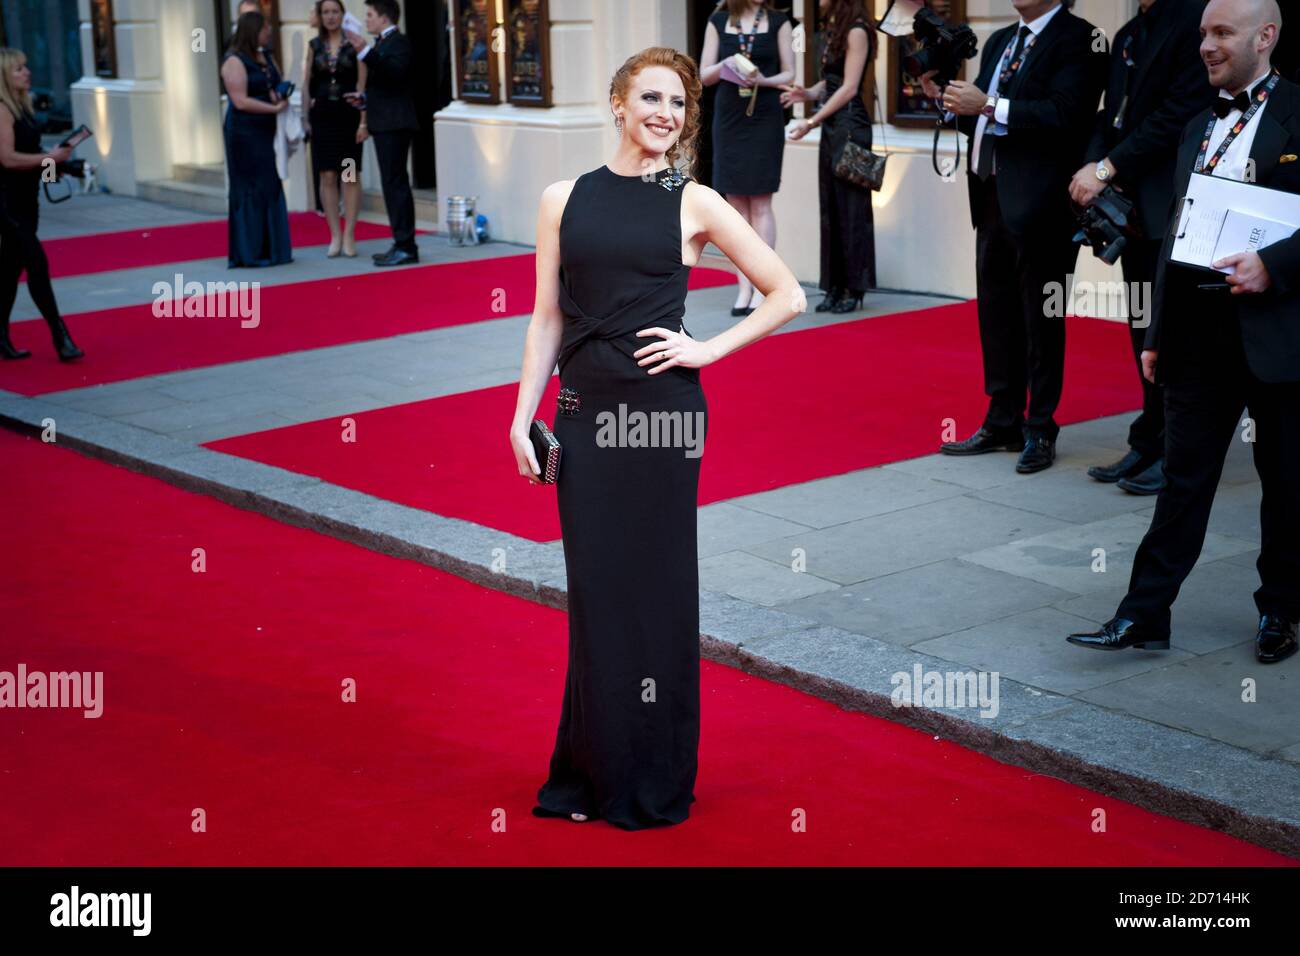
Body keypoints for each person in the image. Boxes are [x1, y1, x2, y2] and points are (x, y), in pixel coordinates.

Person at [509, 47, 804, 827]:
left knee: (659, 592)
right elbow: (547, 318)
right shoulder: (561, 198)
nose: (665, 114)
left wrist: (705, 349)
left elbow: (787, 293)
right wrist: (520, 417)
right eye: (650, 97)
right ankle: (591, 773)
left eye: (678, 103)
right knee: (598, 596)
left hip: (662, 416)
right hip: (582, 414)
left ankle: (652, 779)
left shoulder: (694, 199)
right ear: (617, 102)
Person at [1068, 0, 1299, 665]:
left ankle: (1281, 611)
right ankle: (1143, 615)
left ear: (1266, 36)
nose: (1205, 45)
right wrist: (1157, 332)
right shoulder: (1197, 124)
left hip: (1278, 334)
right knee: (1183, 483)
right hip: (1197, 333)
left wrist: (1274, 266)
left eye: (1221, 32)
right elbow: (1178, 238)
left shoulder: (1299, 113)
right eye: (1202, 33)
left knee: (1285, 483)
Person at [924, 0, 1107, 474]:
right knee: (996, 313)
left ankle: (1041, 428)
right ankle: (1002, 418)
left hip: (1043, 204)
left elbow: (1066, 114)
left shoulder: (1081, 39)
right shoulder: (1001, 40)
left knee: (1041, 319)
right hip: (990, 196)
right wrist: (946, 102)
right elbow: (983, 120)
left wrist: (983, 102)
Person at [1070, 0, 1216, 497]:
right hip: (1130, 208)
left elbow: (1179, 114)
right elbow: (1113, 113)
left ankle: (1176, 451)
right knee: (1141, 328)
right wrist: (1092, 168)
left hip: (1171, 201)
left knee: (1170, 331)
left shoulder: (1195, 19)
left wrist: (1107, 167)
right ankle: (1148, 438)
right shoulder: (1131, 30)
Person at [699, 0, 795, 316]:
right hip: (730, 117)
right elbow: (704, 74)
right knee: (736, 206)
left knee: (762, 203)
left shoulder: (780, 21)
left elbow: (789, 72)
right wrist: (727, 64)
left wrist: (761, 80)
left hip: (765, 115)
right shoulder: (719, 20)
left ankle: (765, 288)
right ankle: (743, 287)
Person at [784, 0, 878, 314]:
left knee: (851, 207)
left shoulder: (857, 31)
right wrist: (807, 94)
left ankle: (854, 286)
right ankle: (836, 285)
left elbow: (850, 88)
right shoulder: (838, 28)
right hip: (836, 126)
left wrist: (811, 120)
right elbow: (833, 82)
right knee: (832, 206)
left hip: (851, 126)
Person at [0, 48, 82, 361]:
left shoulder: (24, 107)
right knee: (36, 265)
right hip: (7, 204)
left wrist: (55, 165)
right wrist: (50, 159)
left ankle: (1, 337)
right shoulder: (2, 110)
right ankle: (60, 337)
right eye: (19, 68)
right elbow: (7, 159)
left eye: (26, 66)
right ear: (5, 75)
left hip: (26, 201)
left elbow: (33, 156)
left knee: (8, 271)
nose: (27, 72)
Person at [346, 0, 419, 267]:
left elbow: (394, 74)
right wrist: (363, 99)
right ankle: (400, 241)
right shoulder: (380, 44)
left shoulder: (398, 42)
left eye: (370, 15)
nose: (366, 20)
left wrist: (364, 51)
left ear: (384, 18)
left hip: (395, 124)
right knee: (391, 185)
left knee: (396, 184)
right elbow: (384, 85)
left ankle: (406, 245)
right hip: (385, 121)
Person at [221, 11, 292, 267]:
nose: (269, 32)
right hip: (243, 132)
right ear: (253, 31)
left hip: (265, 130)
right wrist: (273, 109)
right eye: (265, 28)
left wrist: (280, 96)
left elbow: (270, 87)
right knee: (249, 186)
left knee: (269, 182)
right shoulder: (234, 60)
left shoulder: (265, 56)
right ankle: (251, 250)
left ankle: (273, 248)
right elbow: (240, 101)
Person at [303, 0, 367, 257]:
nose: (330, 17)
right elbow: (307, 84)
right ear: (319, 16)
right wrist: (305, 118)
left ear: (343, 14)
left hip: (348, 117)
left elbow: (363, 86)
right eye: (325, 12)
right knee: (327, 175)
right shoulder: (314, 46)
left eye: (335, 12)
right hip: (322, 119)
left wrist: (363, 121)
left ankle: (350, 232)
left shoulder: (355, 45)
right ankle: (335, 235)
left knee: (349, 175)